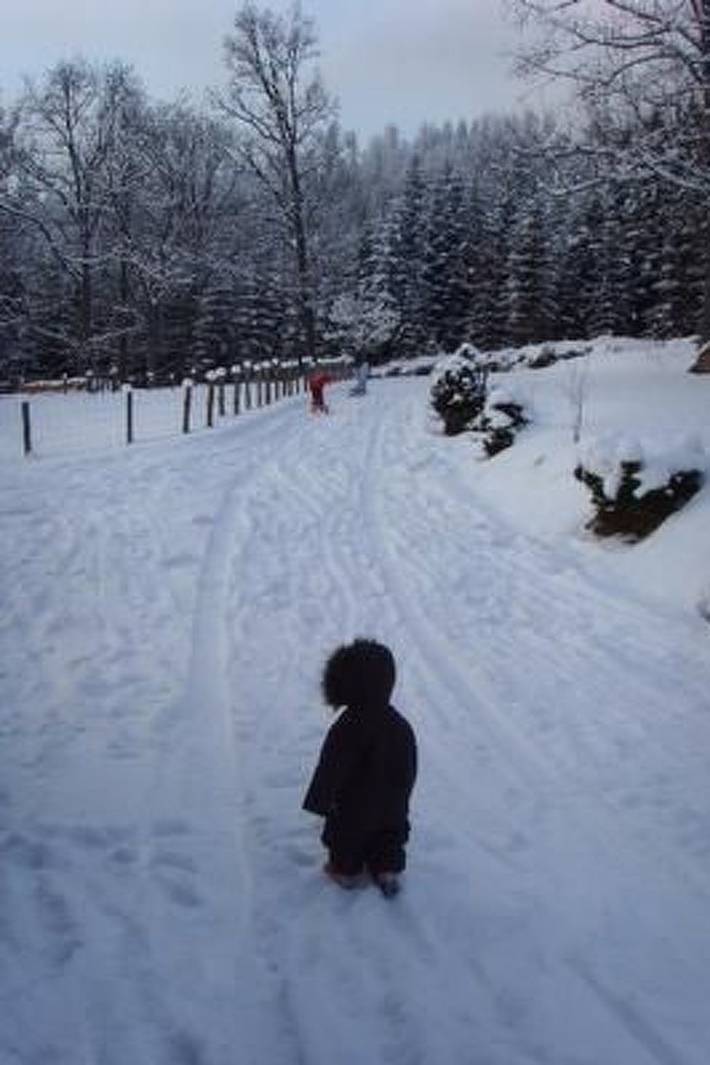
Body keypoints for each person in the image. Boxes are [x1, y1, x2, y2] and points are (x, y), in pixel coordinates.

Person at [302, 639, 417, 897]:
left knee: (346, 838)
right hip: (391, 808)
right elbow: (409, 768)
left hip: (354, 808)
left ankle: (345, 872)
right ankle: (386, 870)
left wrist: (320, 802)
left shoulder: (347, 728)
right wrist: (401, 798)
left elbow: (330, 769)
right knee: (390, 836)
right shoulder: (400, 725)